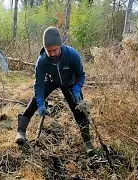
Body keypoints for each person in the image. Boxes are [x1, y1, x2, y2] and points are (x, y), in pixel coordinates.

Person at [15, 26, 96, 157]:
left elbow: (81, 75)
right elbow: (39, 84)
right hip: (51, 81)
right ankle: (21, 131)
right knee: (34, 101)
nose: (52, 53)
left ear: (61, 45)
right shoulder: (42, 61)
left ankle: (88, 142)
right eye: (49, 51)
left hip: (70, 83)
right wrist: (41, 103)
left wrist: (77, 87)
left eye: (55, 50)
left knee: (79, 110)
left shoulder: (72, 55)